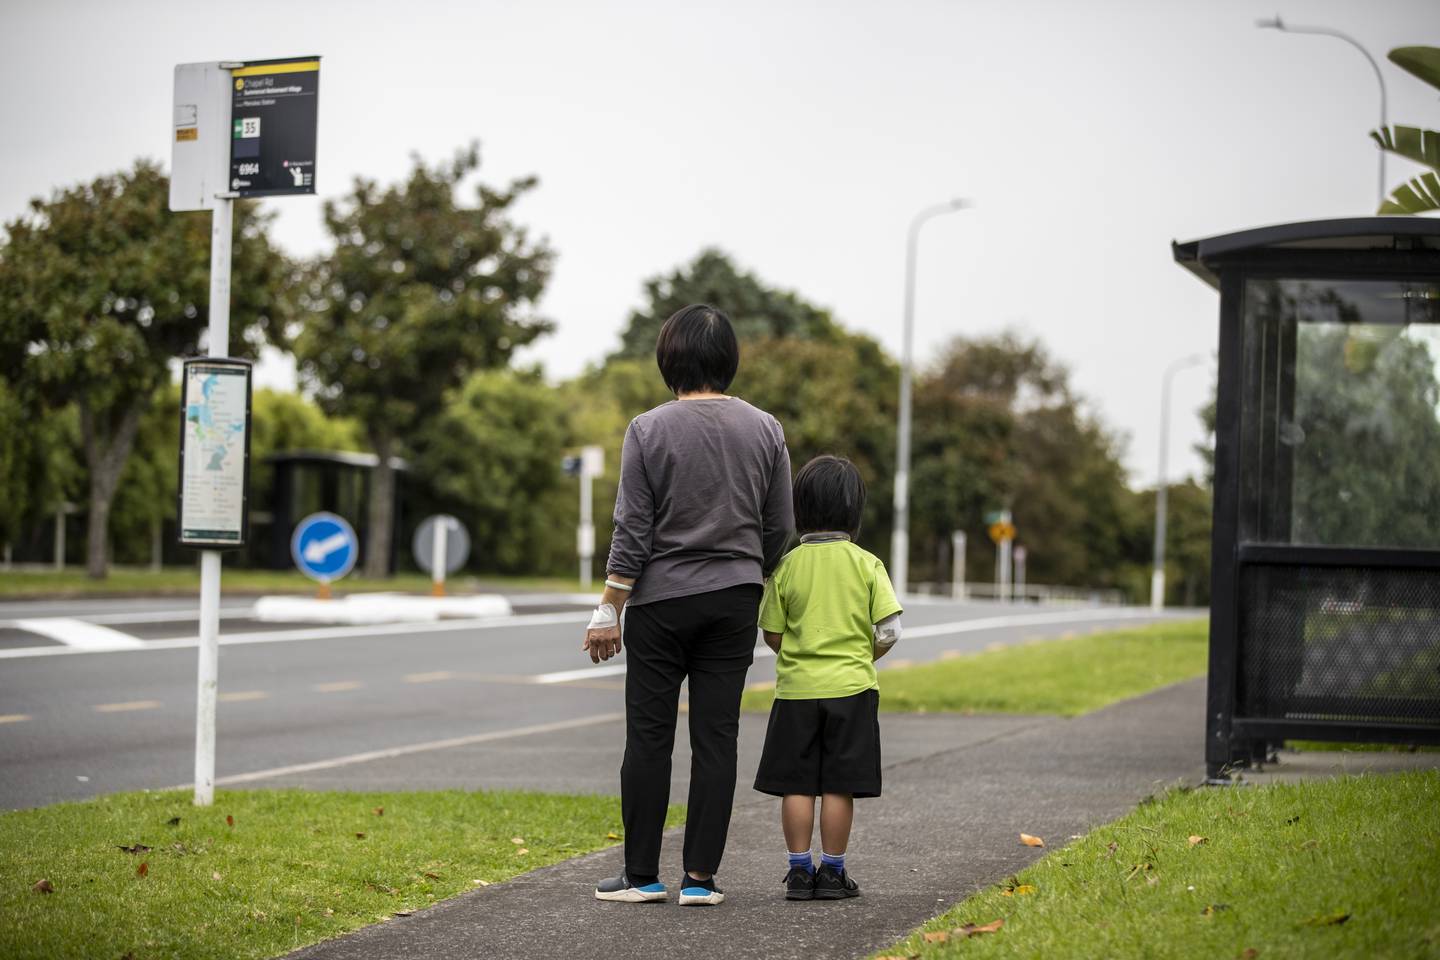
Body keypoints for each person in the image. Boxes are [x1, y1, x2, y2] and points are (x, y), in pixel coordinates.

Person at [585, 303, 794, 906]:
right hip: (734, 599)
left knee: (649, 737)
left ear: (668, 360)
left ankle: (642, 876)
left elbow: (633, 530)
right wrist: (750, 570)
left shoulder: (647, 430)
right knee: (716, 737)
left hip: (661, 602)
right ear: (729, 360)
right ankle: (701, 879)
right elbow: (780, 526)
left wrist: (609, 609)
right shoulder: (766, 429)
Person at [752, 455, 903, 901]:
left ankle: (799, 872)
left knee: (797, 783)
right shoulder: (867, 564)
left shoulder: (788, 565)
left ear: (799, 507)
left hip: (797, 691)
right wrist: (863, 656)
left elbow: (772, 632)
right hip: (853, 689)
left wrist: (799, 654)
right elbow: (889, 630)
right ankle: (834, 873)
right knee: (839, 784)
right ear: (855, 509)